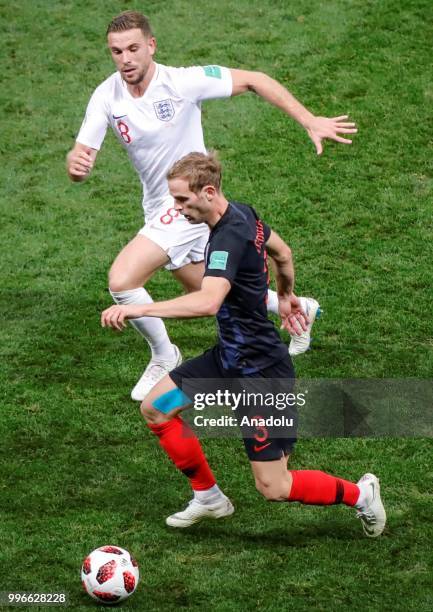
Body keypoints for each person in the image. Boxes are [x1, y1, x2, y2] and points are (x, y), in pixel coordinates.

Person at [68, 10, 357, 401]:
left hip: (189, 204)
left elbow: (255, 80)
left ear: (151, 46)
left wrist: (308, 120)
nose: (125, 59)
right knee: (209, 287)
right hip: (157, 206)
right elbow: (82, 156)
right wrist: (77, 166)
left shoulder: (183, 82)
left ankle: (164, 355)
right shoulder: (107, 94)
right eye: (117, 51)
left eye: (134, 48)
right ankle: (297, 308)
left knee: (122, 280)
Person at [101, 152, 386, 537]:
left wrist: (138, 309)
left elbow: (207, 301)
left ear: (208, 192)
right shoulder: (244, 213)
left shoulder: (227, 240)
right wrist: (285, 295)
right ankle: (209, 497)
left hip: (260, 375)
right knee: (156, 409)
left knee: (275, 485)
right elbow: (282, 252)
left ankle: (362, 495)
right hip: (225, 363)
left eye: (182, 200)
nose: (176, 208)